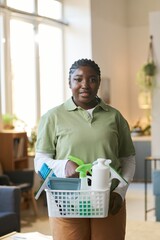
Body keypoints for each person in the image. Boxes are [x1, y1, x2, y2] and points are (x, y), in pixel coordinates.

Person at [34, 58, 136, 240]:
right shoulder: (52, 117)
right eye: (78, 79)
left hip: (108, 200)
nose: (85, 85)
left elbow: (128, 158)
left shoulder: (115, 117)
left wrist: (120, 192)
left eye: (92, 79)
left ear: (98, 82)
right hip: (66, 202)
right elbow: (40, 160)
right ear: (69, 82)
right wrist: (63, 165)